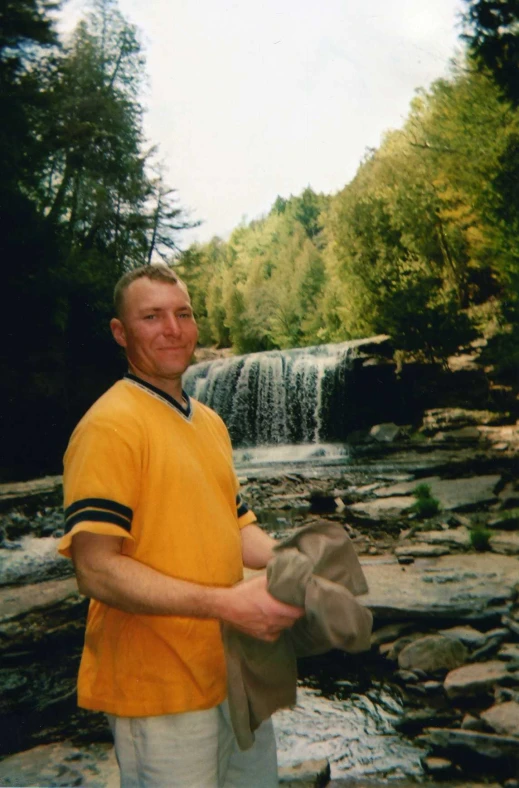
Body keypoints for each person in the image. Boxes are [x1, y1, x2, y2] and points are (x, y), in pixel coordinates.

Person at [58, 264, 304, 788]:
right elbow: (96, 571)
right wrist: (225, 603)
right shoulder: (108, 426)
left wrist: (291, 558)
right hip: (159, 689)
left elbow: (238, 528)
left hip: (233, 670)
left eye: (183, 313)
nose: (173, 328)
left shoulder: (210, 421)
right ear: (121, 333)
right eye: (152, 316)